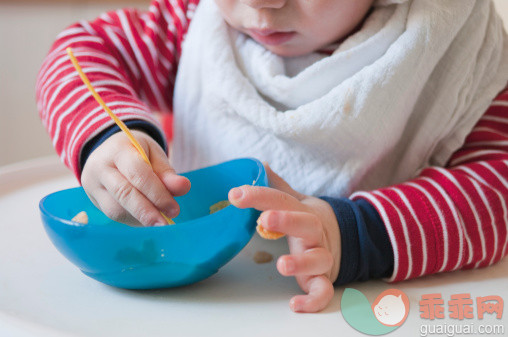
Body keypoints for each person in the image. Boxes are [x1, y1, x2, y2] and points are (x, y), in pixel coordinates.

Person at [36, 0, 508, 313]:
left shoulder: (463, 53)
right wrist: (108, 135)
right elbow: (78, 51)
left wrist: (354, 235)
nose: (263, 3)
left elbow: (498, 192)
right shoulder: (196, 22)